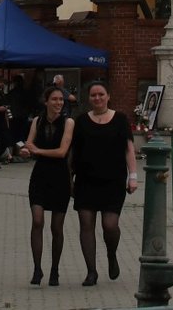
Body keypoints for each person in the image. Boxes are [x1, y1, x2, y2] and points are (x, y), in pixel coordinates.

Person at [71, 80, 137, 287]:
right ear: (88, 98)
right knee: (86, 224)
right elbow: (73, 152)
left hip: (113, 180)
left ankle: (111, 254)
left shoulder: (120, 119)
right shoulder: (80, 121)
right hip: (86, 180)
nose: (97, 99)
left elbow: (129, 148)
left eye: (101, 94)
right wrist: (69, 178)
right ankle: (91, 271)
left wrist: (133, 175)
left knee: (110, 225)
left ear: (108, 96)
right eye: (93, 95)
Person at [21, 85, 75, 286]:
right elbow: (28, 145)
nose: (59, 103)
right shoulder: (37, 121)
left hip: (60, 177)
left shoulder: (68, 122)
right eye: (55, 99)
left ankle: (54, 269)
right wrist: (25, 151)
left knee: (56, 227)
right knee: (37, 221)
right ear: (46, 101)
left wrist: (37, 151)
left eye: (61, 100)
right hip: (40, 176)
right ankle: (37, 269)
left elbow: (62, 152)